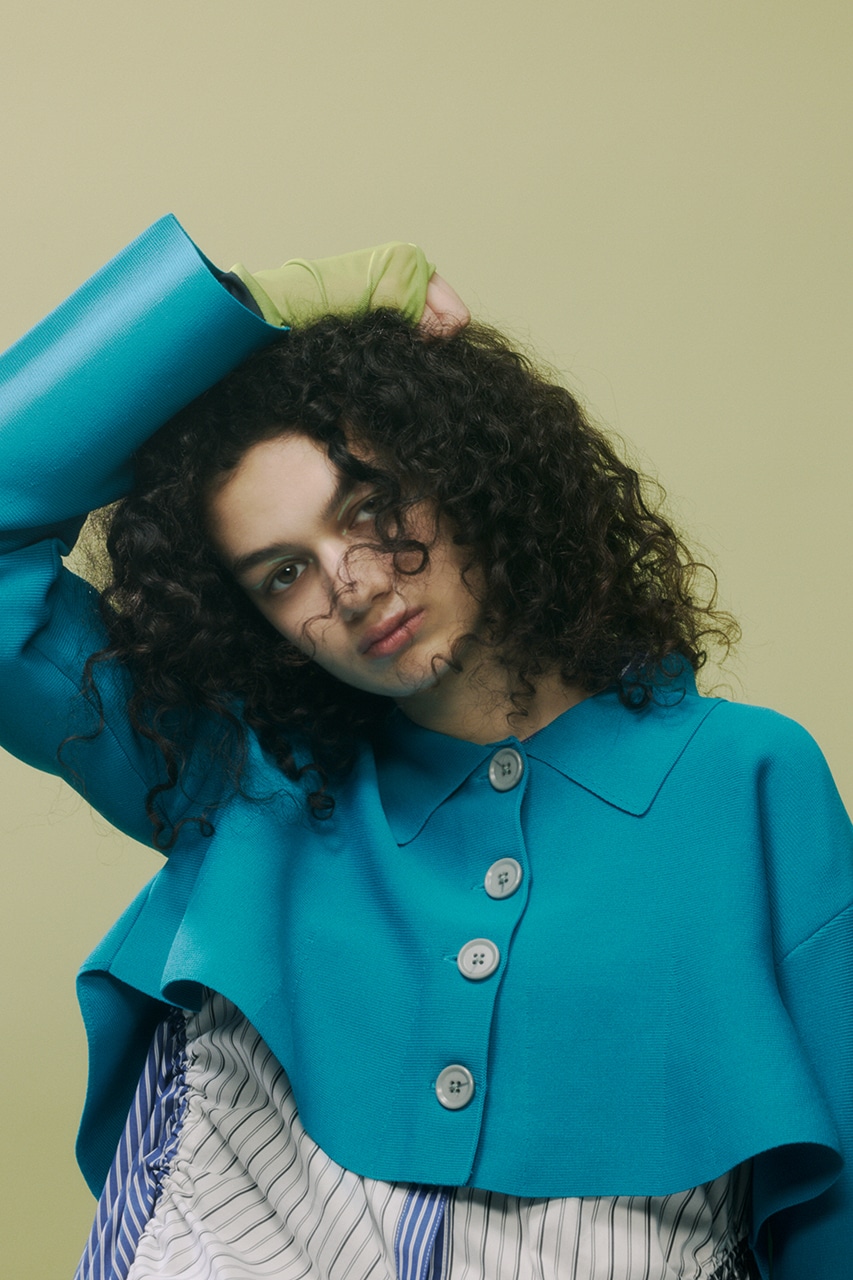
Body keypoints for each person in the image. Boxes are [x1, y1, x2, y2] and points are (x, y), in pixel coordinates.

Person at [1, 217, 850, 1280]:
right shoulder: (245, 784)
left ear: (467, 473)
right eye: (283, 573)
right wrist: (269, 301)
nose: (352, 584)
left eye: (370, 507)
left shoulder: (745, 782)